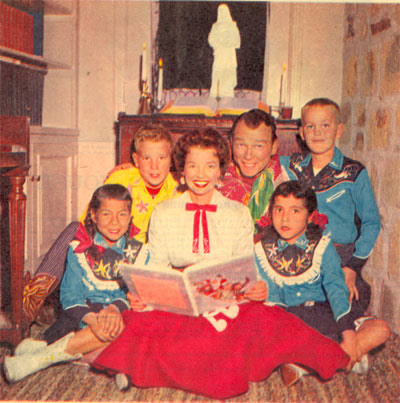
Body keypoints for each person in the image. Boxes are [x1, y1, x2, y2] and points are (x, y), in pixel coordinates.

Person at [92, 128, 349, 400]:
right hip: (177, 301)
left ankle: (161, 364)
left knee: (267, 318)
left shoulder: (237, 213)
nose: (201, 174)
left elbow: (246, 269)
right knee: (137, 319)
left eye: (209, 166)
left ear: (220, 172)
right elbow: (156, 265)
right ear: (181, 170)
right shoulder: (164, 212)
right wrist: (145, 294)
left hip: (225, 300)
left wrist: (256, 290)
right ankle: (158, 362)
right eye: (193, 165)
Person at [23, 124, 178, 324]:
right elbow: (93, 217)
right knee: (74, 229)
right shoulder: (123, 177)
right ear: (136, 160)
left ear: (171, 159)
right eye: (147, 158)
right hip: (112, 246)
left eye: (162, 158)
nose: (154, 166)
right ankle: (36, 294)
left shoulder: (177, 187)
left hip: (145, 258)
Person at [4, 184, 145, 383]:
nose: (115, 222)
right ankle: (116, 363)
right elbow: (70, 294)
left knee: (132, 328)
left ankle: (41, 356)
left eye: (122, 214)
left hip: (118, 315)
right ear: (94, 216)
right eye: (106, 214)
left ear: (130, 217)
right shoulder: (79, 249)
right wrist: (92, 320)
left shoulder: (137, 251)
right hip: (82, 315)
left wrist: (114, 308)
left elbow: (134, 291)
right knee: (107, 331)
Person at [254, 181, 390, 386]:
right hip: (290, 320)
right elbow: (273, 301)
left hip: (325, 314)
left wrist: (349, 334)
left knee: (381, 329)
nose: (285, 218)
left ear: (310, 217)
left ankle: (307, 365)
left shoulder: (322, 245)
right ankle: (338, 360)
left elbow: (336, 288)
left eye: (295, 211)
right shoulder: (262, 249)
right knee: (261, 341)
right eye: (279, 209)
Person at [280, 98, 380, 312]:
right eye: (310, 126)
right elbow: (261, 160)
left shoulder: (354, 172)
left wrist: (352, 267)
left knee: (345, 306)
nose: (318, 132)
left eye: (325, 125)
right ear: (302, 132)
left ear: (339, 130)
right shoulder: (290, 165)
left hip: (340, 256)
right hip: (299, 253)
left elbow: (371, 223)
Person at [219, 108, 289, 231]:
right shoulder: (215, 175)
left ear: (273, 147)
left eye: (258, 146)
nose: (248, 155)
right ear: (231, 143)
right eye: (241, 145)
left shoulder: (284, 182)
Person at [208, 4, 240, 98]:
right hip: (219, 54)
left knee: (228, 73)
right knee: (217, 72)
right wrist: (219, 43)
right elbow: (211, 39)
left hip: (228, 54)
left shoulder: (232, 26)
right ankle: (216, 94)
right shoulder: (215, 26)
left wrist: (227, 42)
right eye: (220, 11)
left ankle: (227, 94)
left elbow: (237, 40)